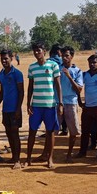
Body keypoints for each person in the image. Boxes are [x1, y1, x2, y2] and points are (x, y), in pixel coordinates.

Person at [24, 41, 62, 169]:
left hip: (50, 105)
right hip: (36, 105)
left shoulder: (53, 65)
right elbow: (30, 87)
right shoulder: (32, 67)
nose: (36, 53)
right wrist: (28, 103)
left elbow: (58, 85)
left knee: (50, 132)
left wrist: (60, 103)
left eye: (39, 50)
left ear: (44, 52)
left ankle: (49, 159)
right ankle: (28, 159)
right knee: (32, 131)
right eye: (34, 51)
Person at [0, 49, 24, 169]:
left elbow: (21, 92)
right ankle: (13, 157)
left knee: (15, 133)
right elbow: (2, 91)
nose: (4, 61)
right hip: (6, 109)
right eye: (2, 59)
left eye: (6, 58)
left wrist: (18, 109)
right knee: (8, 133)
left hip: (14, 109)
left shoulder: (17, 74)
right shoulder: (1, 74)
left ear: (11, 58)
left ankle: (18, 160)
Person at [60, 46, 83, 162]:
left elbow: (79, 89)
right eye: (62, 56)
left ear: (72, 56)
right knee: (52, 129)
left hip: (71, 102)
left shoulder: (77, 71)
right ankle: (47, 154)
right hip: (58, 102)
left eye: (67, 56)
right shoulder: (57, 69)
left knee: (73, 130)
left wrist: (69, 76)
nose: (64, 58)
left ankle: (69, 154)